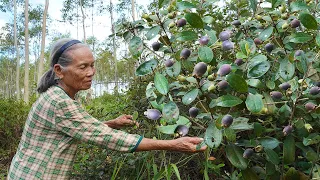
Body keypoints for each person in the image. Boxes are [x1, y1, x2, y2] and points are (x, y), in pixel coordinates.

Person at [7, 38, 207, 179]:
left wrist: (113, 123)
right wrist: (174, 145)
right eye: (83, 67)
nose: (91, 73)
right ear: (59, 70)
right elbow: (108, 138)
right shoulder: (58, 101)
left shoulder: (60, 96)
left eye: (92, 65)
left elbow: (76, 128)